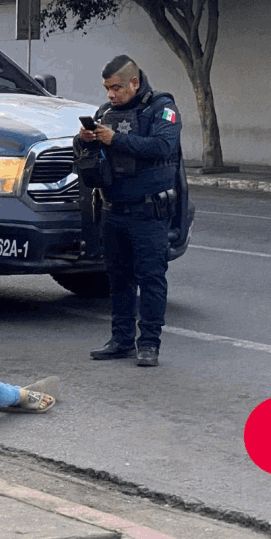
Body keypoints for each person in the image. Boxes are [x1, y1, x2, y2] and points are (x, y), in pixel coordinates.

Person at [78, 55, 183, 367]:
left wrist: (116, 139)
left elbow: (164, 147)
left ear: (134, 83)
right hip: (113, 209)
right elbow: (93, 153)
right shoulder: (105, 112)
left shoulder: (161, 108)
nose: (111, 94)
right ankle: (121, 339)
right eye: (107, 88)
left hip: (149, 211)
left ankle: (149, 343)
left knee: (151, 278)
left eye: (117, 88)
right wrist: (85, 139)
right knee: (119, 279)